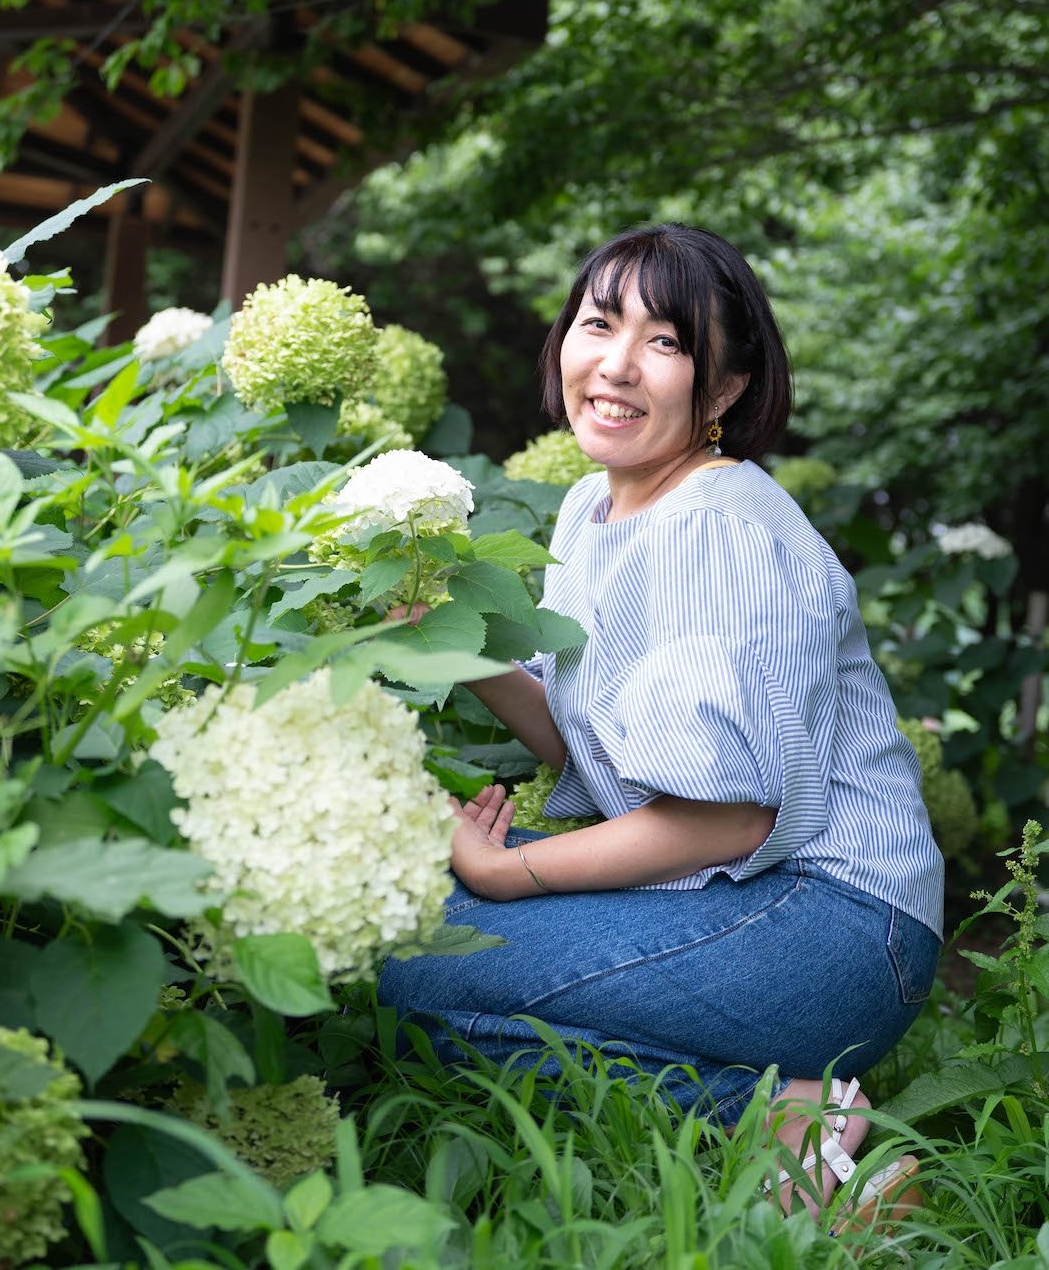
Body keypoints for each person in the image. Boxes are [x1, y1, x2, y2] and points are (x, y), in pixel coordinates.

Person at [378, 223, 943, 1227]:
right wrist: (444, 639)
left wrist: (509, 873)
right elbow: (600, 743)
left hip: (838, 921)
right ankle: (791, 1117)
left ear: (722, 392)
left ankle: (796, 1131)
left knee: (425, 963)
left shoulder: (717, 528)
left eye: (667, 342)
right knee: (416, 952)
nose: (618, 363)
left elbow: (725, 819)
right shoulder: (591, 511)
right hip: (754, 898)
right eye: (600, 323)